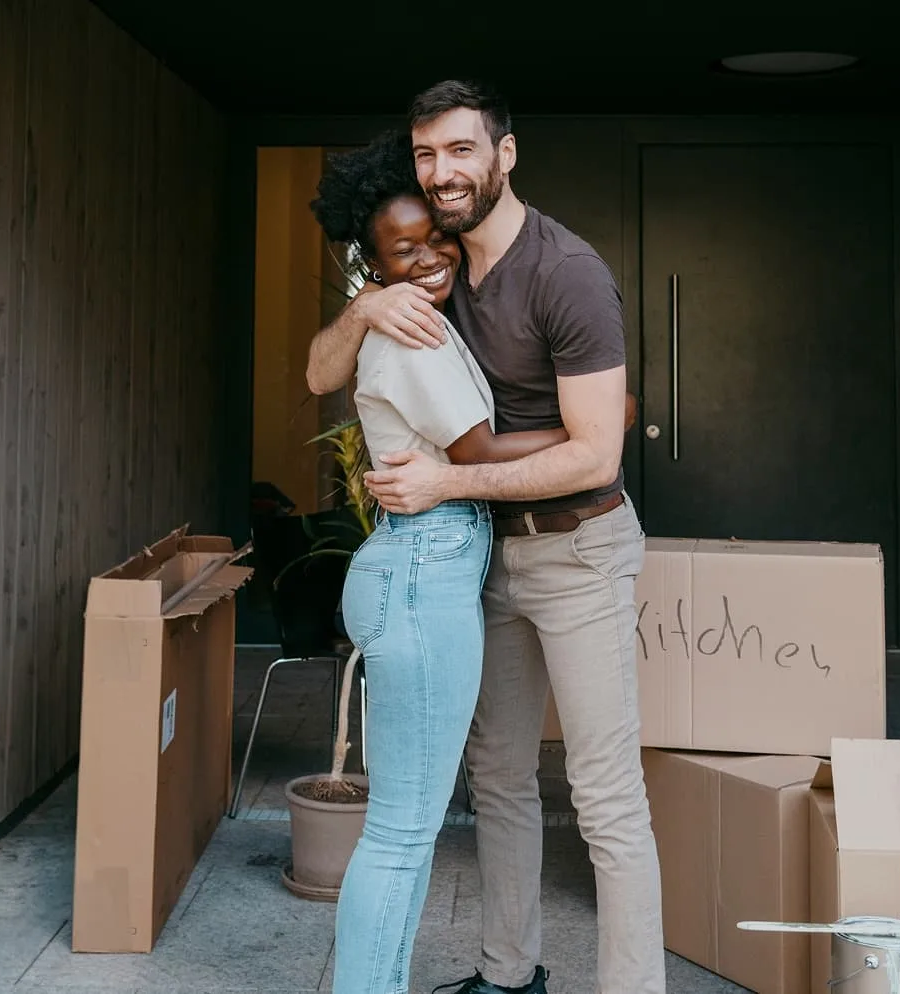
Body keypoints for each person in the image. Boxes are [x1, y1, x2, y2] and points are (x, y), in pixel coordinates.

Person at [305, 82, 666, 994]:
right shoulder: (436, 268)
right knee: (498, 780)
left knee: (605, 798)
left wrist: (445, 482)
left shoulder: (565, 271)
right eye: (428, 156)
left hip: (579, 550)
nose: (443, 173)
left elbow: (592, 456)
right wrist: (363, 307)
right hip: (485, 558)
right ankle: (510, 977)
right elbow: (319, 373)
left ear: (504, 154)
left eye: (461, 151)